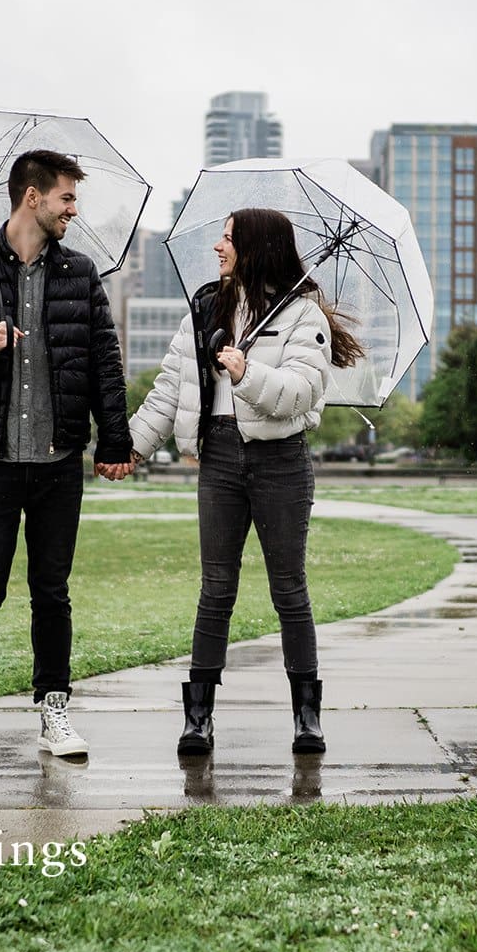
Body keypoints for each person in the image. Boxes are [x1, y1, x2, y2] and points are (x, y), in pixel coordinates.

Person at [0, 149, 133, 767]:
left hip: (58, 457)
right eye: (67, 198)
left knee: (51, 591)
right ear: (31, 197)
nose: (73, 210)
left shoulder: (80, 273)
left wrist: (113, 440)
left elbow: (104, 364)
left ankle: (54, 712)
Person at [127, 207, 362, 756]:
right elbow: (171, 387)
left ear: (256, 248)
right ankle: (199, 716)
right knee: (216, 590)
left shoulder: (304, 316)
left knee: (288, 588)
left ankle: (307, 716)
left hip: (280, 461)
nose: (218, 247)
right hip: (220, 459)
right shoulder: (206, 306)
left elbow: (301, 392)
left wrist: (244, 372)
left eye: (229, 239)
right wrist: (133, 447)